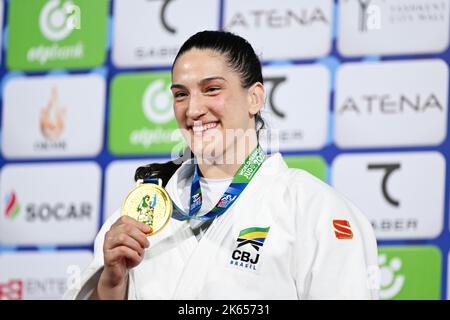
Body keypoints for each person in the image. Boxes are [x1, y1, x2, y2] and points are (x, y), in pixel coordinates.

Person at [64, 30, 379, 300]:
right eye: (180, 94)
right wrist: (112, 283)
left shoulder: (311, 206)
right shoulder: (146, 207)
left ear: (254, 98)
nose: (193, 109)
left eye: (211, 89)